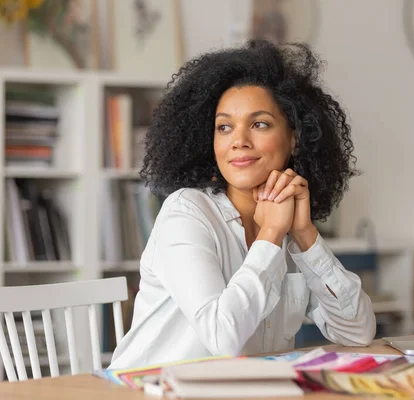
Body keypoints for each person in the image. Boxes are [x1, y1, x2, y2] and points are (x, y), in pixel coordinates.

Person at [109, 40, 376, 369]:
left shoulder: (289, 224)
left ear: (294, 138)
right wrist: (271, 234)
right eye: (224, 127)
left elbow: (358, 332)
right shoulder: (187, 213)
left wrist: (305, 234)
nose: (239, 141)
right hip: (150, 391)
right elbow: (223, 338)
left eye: (259, 123)